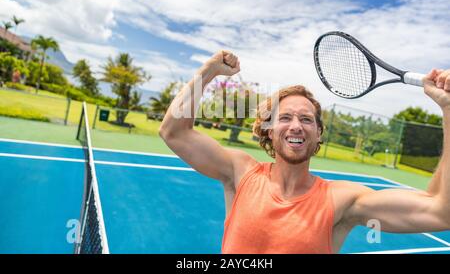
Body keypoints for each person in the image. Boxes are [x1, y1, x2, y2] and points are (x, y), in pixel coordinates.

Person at [159, 50, 450, 253]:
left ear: (318, 132)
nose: (296, 126)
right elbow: (174, 132)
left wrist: (448, 109)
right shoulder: (241, 172)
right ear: (269, 130)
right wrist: (207, 72)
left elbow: (441, 211)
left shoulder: (342, 200)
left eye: (306, 119)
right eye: (285, 118)